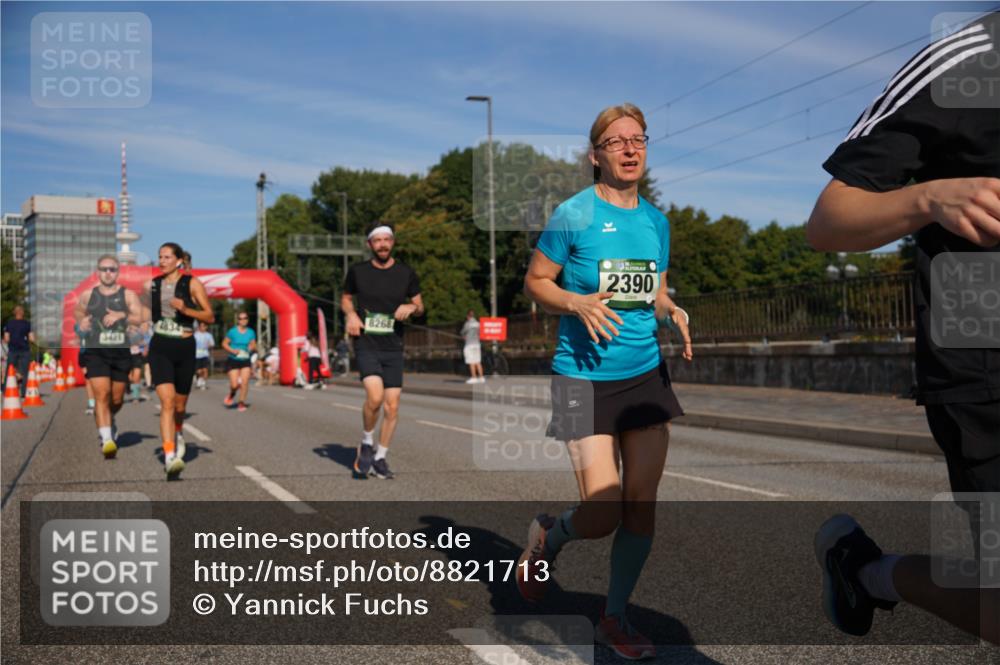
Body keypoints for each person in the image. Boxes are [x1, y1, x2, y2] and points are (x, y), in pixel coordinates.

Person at [807, 11, 999, 645]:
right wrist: (930, 199)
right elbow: (831, 221)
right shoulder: (967, 59)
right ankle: (871, 571)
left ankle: (869, 573)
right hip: (985, 372)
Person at [521, 103, 693, 660]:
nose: (629, 148)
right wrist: (574, 301)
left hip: (644, 374)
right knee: (602, 510)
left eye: (638, 139)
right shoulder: (573, 214)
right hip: (577, 378)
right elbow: (536, 282)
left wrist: (672, 310)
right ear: (595, 155)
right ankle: (551, 534)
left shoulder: (655, 222)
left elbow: (656, 288)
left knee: (641, 506)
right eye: (615, 141)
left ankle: (614, 616)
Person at [342, 222, 424, 480]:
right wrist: (352, 315)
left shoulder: (406, 273)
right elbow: (345, 298)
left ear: (393, 242)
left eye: (386, 239)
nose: (382, 244)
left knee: (392, 407)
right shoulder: (357, 271)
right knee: (375, 398)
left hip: (394, 345)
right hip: (367, 343)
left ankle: (380, 458)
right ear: (370, 245)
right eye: (377, 240)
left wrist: (411, 309)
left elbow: (419, 305)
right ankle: (367, 442)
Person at [147, 243, 214, 478]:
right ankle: (170, 456)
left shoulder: (192, 283)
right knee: (166, 402)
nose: (162, 261)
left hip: (185, 347)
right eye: (159, 257)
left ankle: (178, 431)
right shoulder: (153, 285)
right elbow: (144, 313)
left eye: (167, 257)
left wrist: (186, 309)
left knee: (179, 406)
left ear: (178, 261)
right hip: (160, 346)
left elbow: (209, 315)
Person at [74, 255, 144, 458]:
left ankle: (110, 419)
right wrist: (82, 322)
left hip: (121, 352)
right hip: (96, 352)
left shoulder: (128, 295)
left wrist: (121, 315)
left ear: (118, 272)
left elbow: (140, 316)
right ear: (98, 271)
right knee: (102, 394)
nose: (108, 273)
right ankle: (107, 439)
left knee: (117, 398)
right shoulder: (89, 295)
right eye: (104, 269)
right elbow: (78, 311)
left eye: (112, 269)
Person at [222, 312, 256, 411]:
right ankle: (231, 394)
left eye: (245, 318)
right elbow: (224, 344)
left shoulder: (251, 332)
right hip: (233, 359)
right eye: (241, 319)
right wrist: (232, 350)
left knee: (245, 382)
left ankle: (241, 403)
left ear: (247, 320)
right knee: (234, 385)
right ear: (238, 321)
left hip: (245, 359)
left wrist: (251, 347)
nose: (243, 320)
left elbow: (253, 344)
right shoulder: (232, 332)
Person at [2, 305, 34, 397]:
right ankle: (24, 393)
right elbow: (31, 338)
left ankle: (6, 391)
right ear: (22, 313)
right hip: (25, 350)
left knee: (9, 371)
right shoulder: (27, 324)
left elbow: (6, 338)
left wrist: (7, 340)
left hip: (13, 350)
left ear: (14, 313)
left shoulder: (9, 323)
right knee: (25, 372)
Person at [461, 310, 484, 384]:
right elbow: (480, 333)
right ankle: (481, 377)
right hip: (477, 344)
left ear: (468, 316)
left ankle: (474, 377)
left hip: (469, 344)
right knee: (478, 361)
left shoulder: (467, 324)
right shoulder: (478, 324)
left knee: (471, 361)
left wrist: (464, 336)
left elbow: (462, 332)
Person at [194, 322, 215, 390]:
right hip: (197, 355)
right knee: (199, 371)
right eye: (201, 326)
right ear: (199, 327)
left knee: (205, 370)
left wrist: (208, 345)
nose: (203, 327)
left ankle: (203, 383)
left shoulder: (208, 335)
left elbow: (212, 344)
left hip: (205, 354)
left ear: (206, 327)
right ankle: (199, 378)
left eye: (204, 326)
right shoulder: (196, 335)